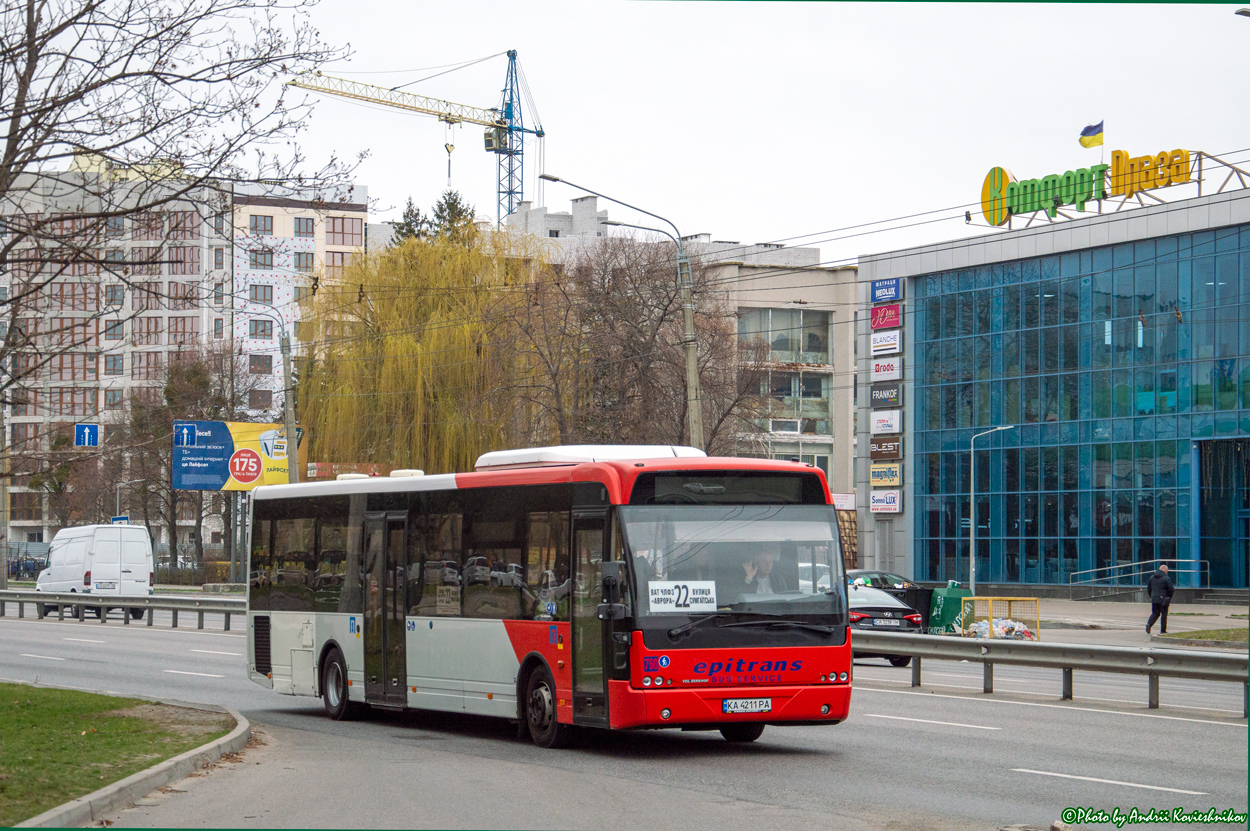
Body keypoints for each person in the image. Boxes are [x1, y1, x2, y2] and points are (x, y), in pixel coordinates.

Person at [1146, 564, 1175, 635]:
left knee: (1155, 613)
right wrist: (1169, 597)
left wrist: (1151, 596)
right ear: (1165, 570)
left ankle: (1149, 624)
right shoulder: (1166, 578)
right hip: (1164, 599)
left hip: (1154, 598)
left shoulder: (1152, 577)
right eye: (1167, 571)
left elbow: (1149, 588)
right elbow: (1171, 589)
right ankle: (1163, 630)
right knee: (1164, 615)